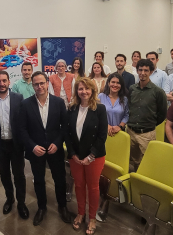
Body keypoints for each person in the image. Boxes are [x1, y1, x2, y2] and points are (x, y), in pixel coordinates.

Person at [19, 71, 71, 226]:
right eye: (36, 84)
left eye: (42, 83)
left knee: (60, 179)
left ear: (48, 83)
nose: (39, 86)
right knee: (39, 180)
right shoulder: (25, 104)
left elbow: (65, 127)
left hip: (55, 149)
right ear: (32, 85)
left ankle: (62, 206)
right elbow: (22, 129)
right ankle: (41, 207)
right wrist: (32, 146)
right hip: (36, 151)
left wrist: (57, 142)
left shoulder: (58, 102)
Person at [0, 71, 29, 219]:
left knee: (19, 175)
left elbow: (23, 123)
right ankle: (10, 199)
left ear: (9, 82)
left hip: (16, 145)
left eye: (4, 81)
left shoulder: (18, 98)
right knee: (4, 174)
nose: (1, 84)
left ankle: (21, 203)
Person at [66, 77, 108, 235]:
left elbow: (102, 136)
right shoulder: (71, 108)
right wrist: (72, 153)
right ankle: (80, 213)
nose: (83, 92)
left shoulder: (100, 109)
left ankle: (92, 218)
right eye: (80, 89)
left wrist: (91, 156)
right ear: (77, 91)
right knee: (78, 185)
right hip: (75, 156)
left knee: (93, 187)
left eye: (87, 89)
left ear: (92, 90)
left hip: (94, 157)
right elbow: (67, 134)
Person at [127, 59, 167, 171]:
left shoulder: (158, 92)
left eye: (146, 70)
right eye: (140, 70)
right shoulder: (132, 89)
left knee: (147, 163)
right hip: (131, 132)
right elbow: (129, 108)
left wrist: (149, 123)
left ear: (151, 72)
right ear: (137, 70)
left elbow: (162, 114)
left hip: (147, 133)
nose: (142, 73)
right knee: (133, 161)